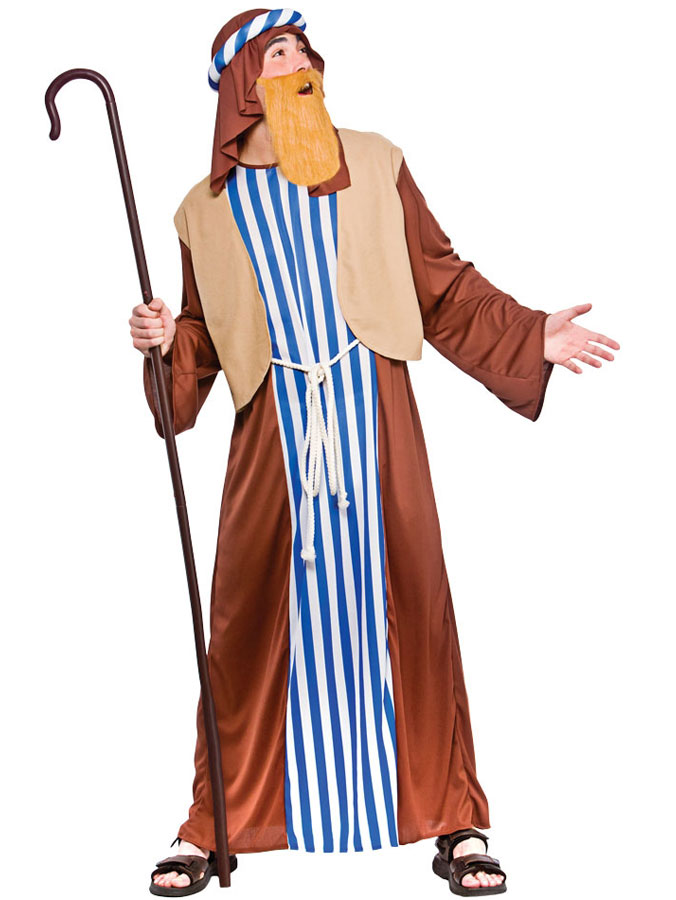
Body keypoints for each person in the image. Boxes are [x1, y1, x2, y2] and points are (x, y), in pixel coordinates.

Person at [130, 9, 620, 896]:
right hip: (273, 431)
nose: (304, 63)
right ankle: (214, 822)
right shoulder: (201, 210)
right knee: (247, 622)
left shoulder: (376, 162)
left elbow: (443, 282)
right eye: (281, 52)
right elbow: (201, 334)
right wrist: (166, 342)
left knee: (414, 604)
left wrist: (526, 332)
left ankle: (455, 817)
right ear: (242, 85)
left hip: (376, 417)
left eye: (306, 50)